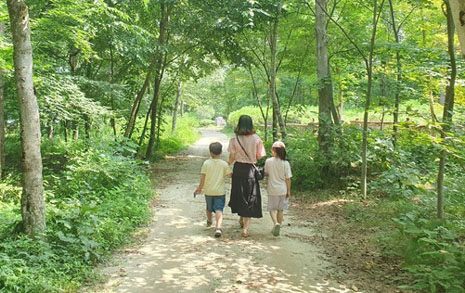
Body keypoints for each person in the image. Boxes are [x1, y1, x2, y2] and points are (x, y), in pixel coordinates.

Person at [228, 115, 266, 237]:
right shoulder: (256, 139)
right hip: (250, 170)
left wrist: (225, 165)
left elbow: (232, 157)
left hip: (238, 169)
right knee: (250, 196)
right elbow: (260, 156)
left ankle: (241, 218)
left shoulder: (234, 139)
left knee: (240, 194)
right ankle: (245, 229)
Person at [195, 142, 232, 238]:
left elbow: (203, 177)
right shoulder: (224, 164)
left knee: (209, 208)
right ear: (221, 152)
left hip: (208, 191)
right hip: (220, 191)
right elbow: (229, 175)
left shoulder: (206, 163)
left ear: (210, 152)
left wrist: (199, 188)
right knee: (219, 210)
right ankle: (218, 227)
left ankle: (209, 221)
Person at [264, 141, 292, 237]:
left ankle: (275, 223)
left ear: (273, 150)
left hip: (272, 189)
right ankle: (278, 226)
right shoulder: (286, 163)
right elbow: (288, 179)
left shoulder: (268, 161)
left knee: (272, 209)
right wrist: (288, 190)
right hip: (283, 189)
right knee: (280, 210)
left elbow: (266, 172)